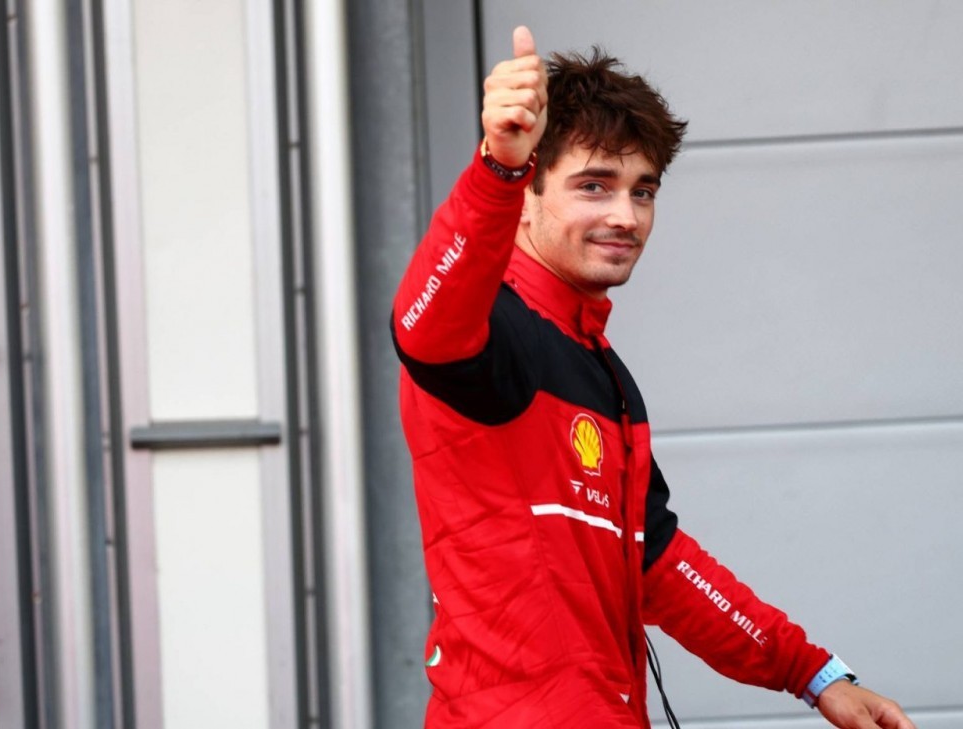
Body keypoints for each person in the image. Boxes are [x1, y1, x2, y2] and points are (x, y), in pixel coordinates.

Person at [390, 25, 916, 729]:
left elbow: (659, 561)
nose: (625, 216)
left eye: (643, 191)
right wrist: (497, 168)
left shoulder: (600, 368)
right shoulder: (490, 329)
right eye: (593, 186)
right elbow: (424, 320)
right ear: (529, 193)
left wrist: (813, 674)